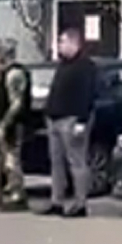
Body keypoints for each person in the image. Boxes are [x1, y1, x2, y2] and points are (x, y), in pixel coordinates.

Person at [37, 29, 96, 218]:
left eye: (62, 42)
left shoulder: (85, 66)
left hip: (72, 119)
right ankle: (57, 201)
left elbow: (88, 95)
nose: (59, 46)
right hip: (55, 119)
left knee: (76, 162)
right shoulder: (63, 65)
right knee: (56, 162)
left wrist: (82, 121)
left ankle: (80, 203)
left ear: (73, 43)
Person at [0, 37, 32, 213]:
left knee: (11, 159)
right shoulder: (3, 72)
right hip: (4, 121)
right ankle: (3, 193)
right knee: (2, 159)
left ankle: (17, 194)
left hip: (14, 124)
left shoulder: (14, 74)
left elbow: (16, 103)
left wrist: (4, 125)